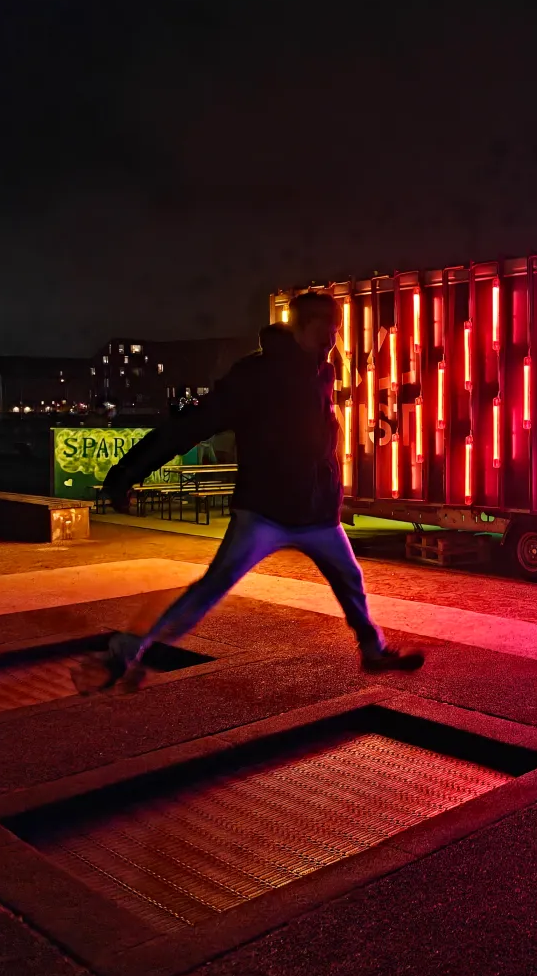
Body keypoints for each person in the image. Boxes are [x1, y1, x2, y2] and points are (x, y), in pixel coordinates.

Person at [74, 291, 423, 693]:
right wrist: (126, 474)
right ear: (299, 326)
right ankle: (128, 650)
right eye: (323, 329)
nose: (330, 338)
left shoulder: (322, 373)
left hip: (317, 512)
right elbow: (190, 426)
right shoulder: (253, 377)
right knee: (212, 587)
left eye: (336, 329)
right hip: (264, 512)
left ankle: (372, 651)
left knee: (350, 579)